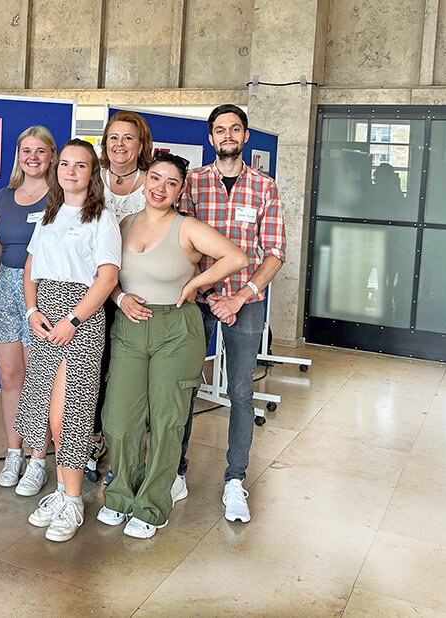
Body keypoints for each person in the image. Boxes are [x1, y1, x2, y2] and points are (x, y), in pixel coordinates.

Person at [98, 153, 247, 538]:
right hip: (129, 328)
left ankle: (152, 505)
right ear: (145, 180)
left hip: (176, 330)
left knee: (166, 421)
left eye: (171, 183)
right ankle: (120, 497)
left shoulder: (188, 227)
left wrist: (196, 284)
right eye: (155, 178)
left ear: (181, 190)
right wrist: (118, 298)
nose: (160, 188)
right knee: (119, 418)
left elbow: (236, 256)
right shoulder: (124, 222)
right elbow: (104, 273)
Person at [178, 104, 285, 523]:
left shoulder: (264, 187)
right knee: (184, 387)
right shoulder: (193, 182)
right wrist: (200, 290)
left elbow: (274, 253)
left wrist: (240, 296)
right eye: (220, 130)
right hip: (199, 301)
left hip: (245, 304)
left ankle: (235, 480)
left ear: (244, 137)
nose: (227, 135)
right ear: (210, 138)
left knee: (241, 392)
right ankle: (177, 470)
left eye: (234, 129)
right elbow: (182, 243)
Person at [15, 139, 121, 542]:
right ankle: (62, 492)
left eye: (81, 166)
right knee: (48, 414)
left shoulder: (103, 219)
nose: (70, 171)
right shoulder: (48, 213)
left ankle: (73, 501)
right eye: (65, 164)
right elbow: (31, 266)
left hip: (81, 319)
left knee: (71, 415)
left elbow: (107, 278)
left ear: (92, 174)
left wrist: (73, 320)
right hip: (45, 319)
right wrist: (32, 310)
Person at [0, 126, 56, 496]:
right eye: (27, 150)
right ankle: (14, 452)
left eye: (41, 150)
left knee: (39, 379)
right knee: (10, 377)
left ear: (52, 156)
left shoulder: (60, 196)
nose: (33, 157)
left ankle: (38, 459)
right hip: (5, 290)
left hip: (43, 291)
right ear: (18, 155)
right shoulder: (3, 197)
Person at [91, 110, 154, 482]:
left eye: (128, 138)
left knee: (126, 380)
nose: (120, 145)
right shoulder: (93, 179)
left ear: (141, 144)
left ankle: (124, 455)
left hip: (136, 296)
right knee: (92, 375)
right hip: (93, 295)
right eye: (113, 137)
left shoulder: (153, 182)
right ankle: (91, 443)